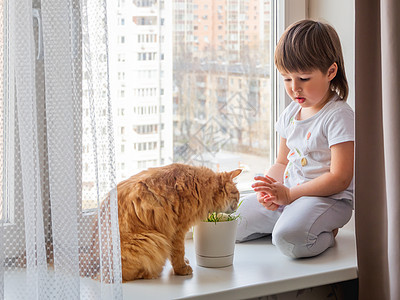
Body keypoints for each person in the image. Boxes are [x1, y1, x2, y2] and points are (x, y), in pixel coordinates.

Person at [235, 19, 354, 258]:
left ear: (330, 72)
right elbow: (281, 162)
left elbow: (340, 178)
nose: (294, 88)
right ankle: (287, 222)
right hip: (290, 196)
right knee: (234, 225)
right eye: (287, 79)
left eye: (304, 79)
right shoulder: (291, 112)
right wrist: (269, 191)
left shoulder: (338, 116)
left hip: (326, 200)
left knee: (288, 241)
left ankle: (326, 233)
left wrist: (289, 195)